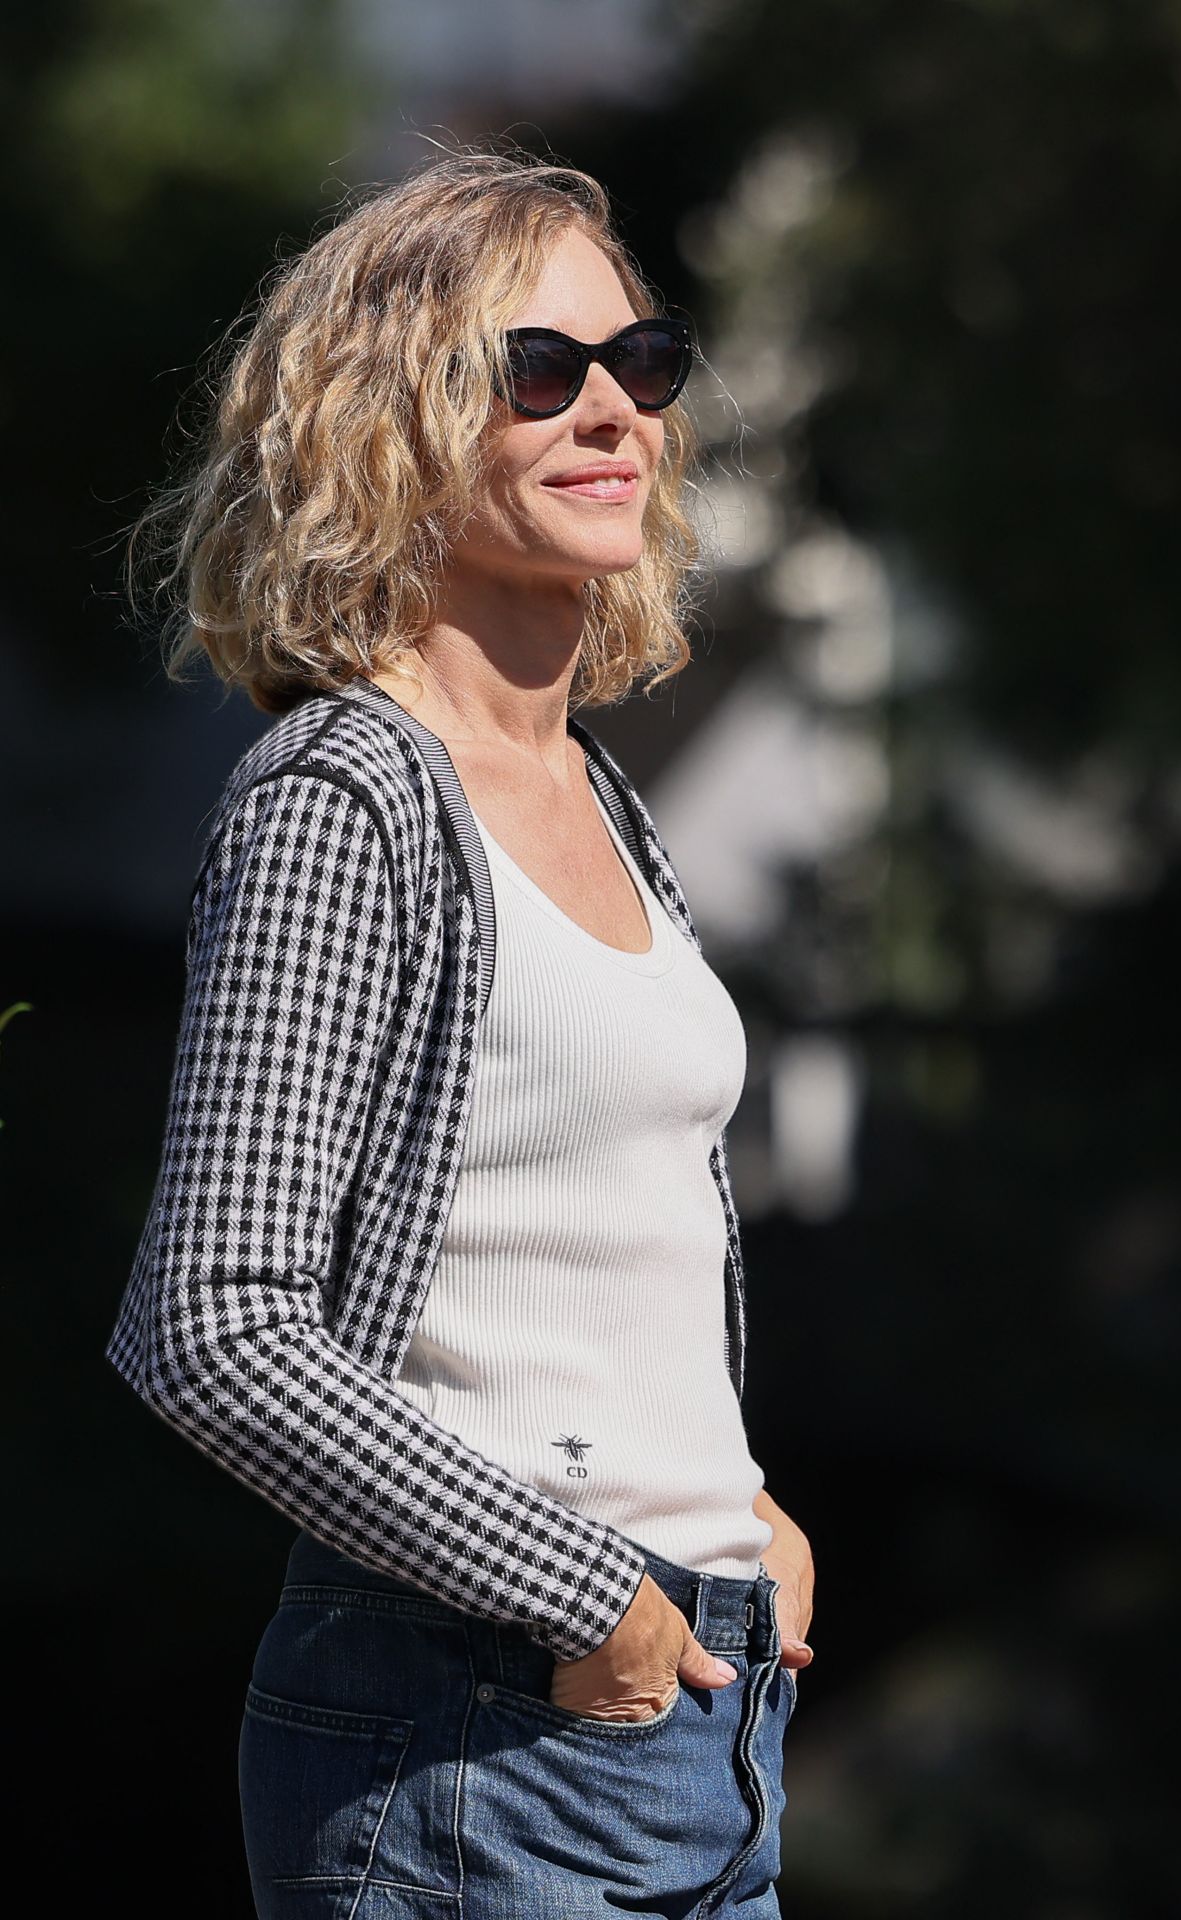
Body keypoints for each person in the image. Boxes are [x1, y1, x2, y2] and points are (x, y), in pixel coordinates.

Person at [107, 143, 815, 1918]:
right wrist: (591, 1596)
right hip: (470, 1736)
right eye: (536, 370)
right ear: (385, 422)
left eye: (640, 365)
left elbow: (594, 1242)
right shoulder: (345, 799)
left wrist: (741, 1520)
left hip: (704, 1721)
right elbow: (213, 1324)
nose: (611, 414)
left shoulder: (594, 792)